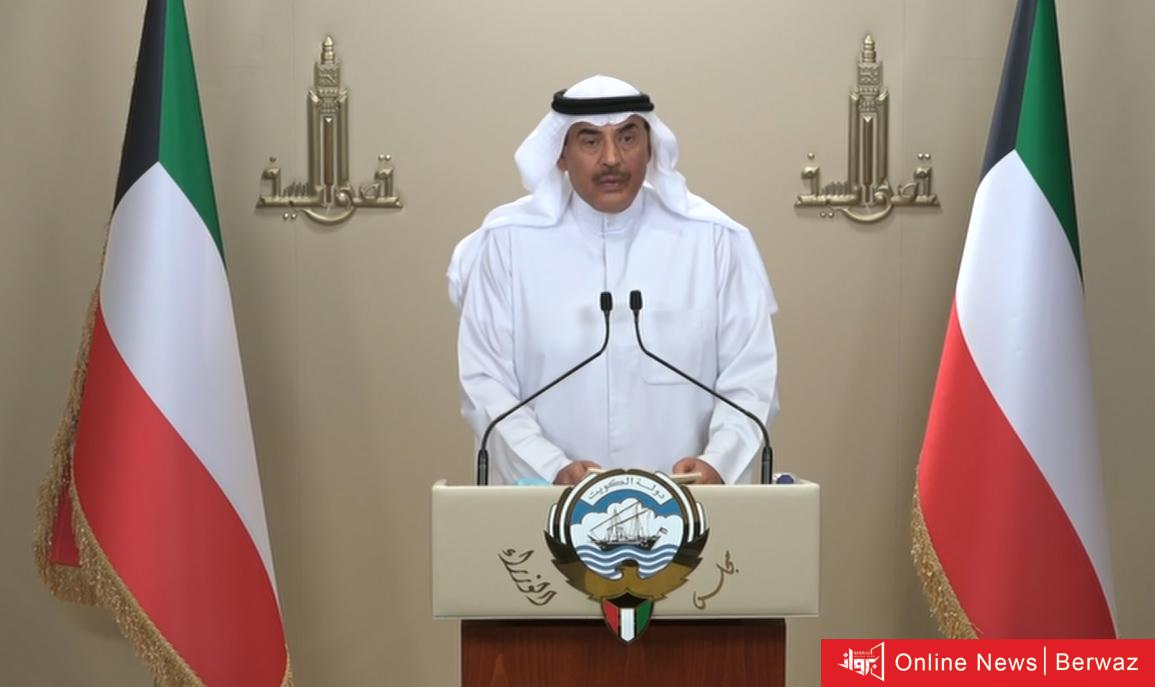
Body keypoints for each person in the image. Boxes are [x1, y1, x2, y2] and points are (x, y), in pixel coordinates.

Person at [448, 75, 778, 486]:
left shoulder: (713, 240)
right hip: (546, 504)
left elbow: (751, 376)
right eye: (590, 141)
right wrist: (549, 468)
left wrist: (719, 464)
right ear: (560, 154)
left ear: (650, 147)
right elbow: (486, 384)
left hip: (690, 504)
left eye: (627, 138)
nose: (611, 159)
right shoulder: (507, 246)